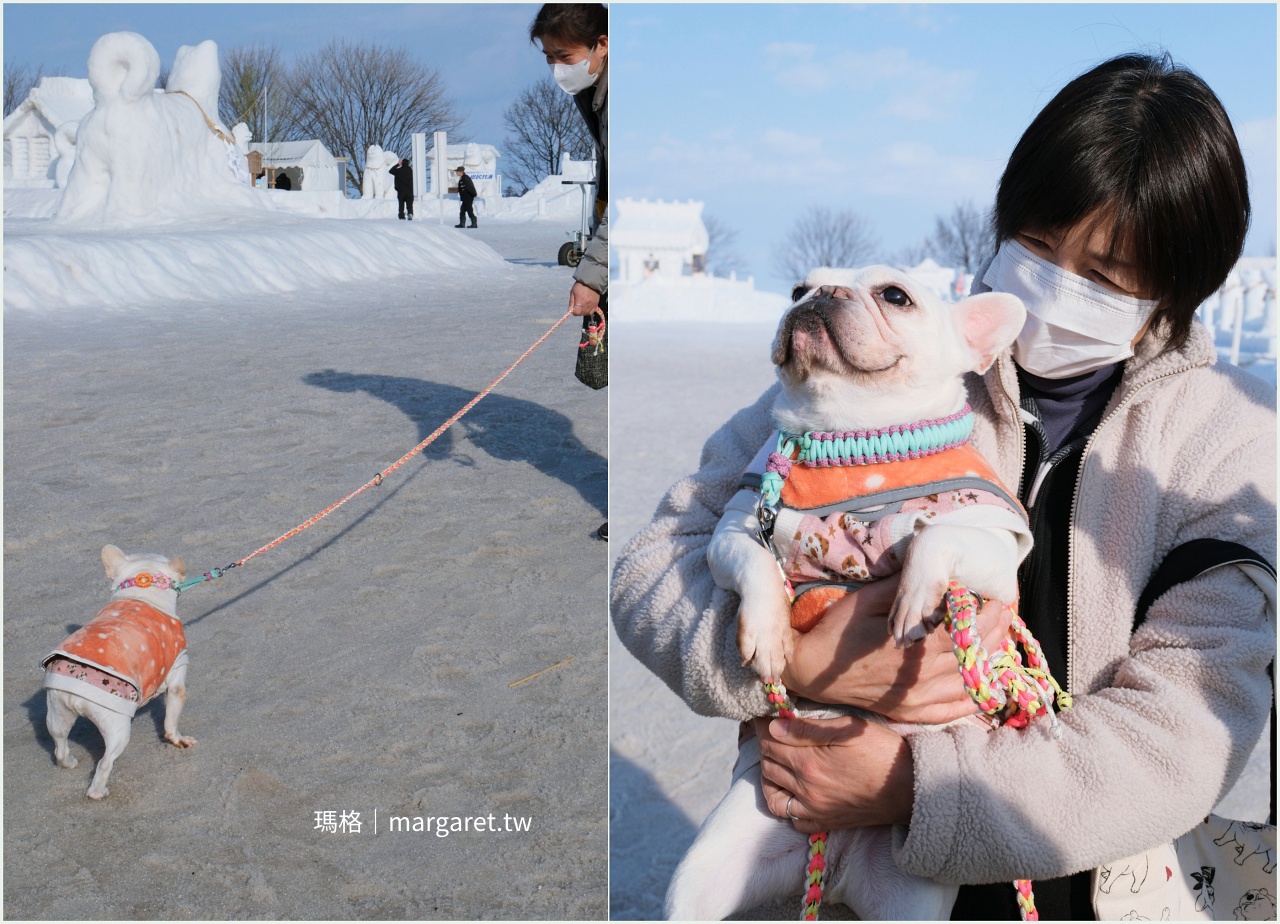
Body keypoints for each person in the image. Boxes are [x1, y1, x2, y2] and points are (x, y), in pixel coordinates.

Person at [610, 52, 1275, 920]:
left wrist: (911, 786)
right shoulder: (890, 362)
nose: (1052, 285)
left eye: (1105, 277)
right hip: (832, 864)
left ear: (1175, 296)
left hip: (1088, 888)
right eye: (1036, 243)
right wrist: (808, 659)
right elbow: (653, 567)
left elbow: (1183, 732)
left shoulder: (1226, 441)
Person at [530, 1, 609, 541]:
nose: (557, 67)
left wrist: (592, 276)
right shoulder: (597, 92)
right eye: (549, 57)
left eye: (565, 55)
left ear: (602, 44)